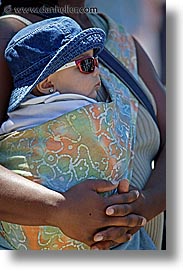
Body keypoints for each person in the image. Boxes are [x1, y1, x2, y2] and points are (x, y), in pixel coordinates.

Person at [0, 0, 166, 250]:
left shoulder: (124, 41)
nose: (96, 70)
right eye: (87, 65)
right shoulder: (10, 37)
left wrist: (142, 206)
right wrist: (57, 208)